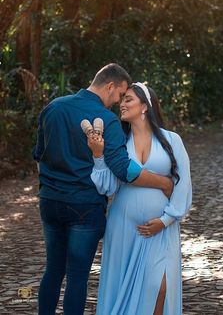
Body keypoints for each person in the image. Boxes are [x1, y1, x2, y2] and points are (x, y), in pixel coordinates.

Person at [32, 64, 174, 315]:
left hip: (50, 201)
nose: (118, 103)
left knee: (53, 269)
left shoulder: (53, 107)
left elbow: (38, 157)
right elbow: (122, 169)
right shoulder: (107, 119)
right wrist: (162, 182)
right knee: (77, 276)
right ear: (111, 86)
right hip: (85, 206)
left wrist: (50, 188)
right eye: (120, 95)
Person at [88, 82, 192, 315]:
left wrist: (165, 220)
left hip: (161, 229)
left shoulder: (171, 140)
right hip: (124, 228)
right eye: (122, 99)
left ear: (145, 106)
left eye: (129, 99)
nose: (122, 104)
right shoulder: (119, 143)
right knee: (121, 288)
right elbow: (108, 187)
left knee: (160, 288)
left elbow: (183, 185)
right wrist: (98, 155)